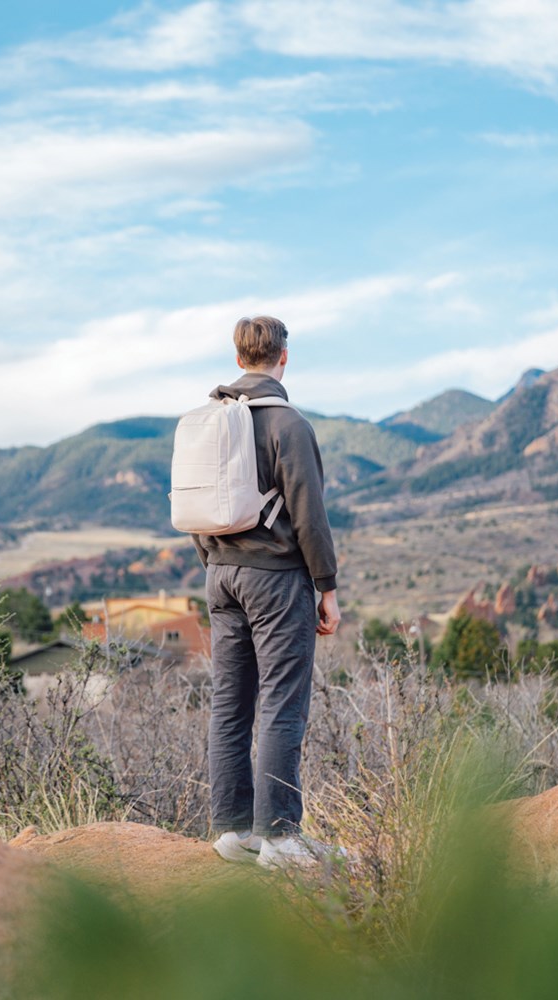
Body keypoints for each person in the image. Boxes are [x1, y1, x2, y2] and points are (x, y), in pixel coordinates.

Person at [192, 315, 341, 870]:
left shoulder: (210, 421)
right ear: (283, 357)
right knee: (282, 701)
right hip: (275, 579)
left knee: (230, 705)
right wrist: (326, 587)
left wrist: (214, 561)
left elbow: (194, 502)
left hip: (220, 575)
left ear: (238, 359)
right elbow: (309, 514)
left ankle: (233, 832)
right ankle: (279, 839)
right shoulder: (288, 424)